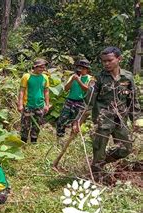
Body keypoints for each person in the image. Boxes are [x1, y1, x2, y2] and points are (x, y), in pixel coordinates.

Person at [90, 46, 142, 181]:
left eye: (110, 60)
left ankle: (101, 162)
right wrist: (78, 120)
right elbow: (89, 101)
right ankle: (97, 177)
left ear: (119, 59)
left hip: (120, 120)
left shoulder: (127, 77)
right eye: (104, 61)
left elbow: (133, 100)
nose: (106, 63)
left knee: (126, 148)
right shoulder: (99, 78)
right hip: (103, 121)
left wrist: (136, 119)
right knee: (99, 149)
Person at [56, 59, 94, 139]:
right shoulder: (73, 76)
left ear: (87, 69)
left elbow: (86, 89)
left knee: (76, 123)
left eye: (83, 68)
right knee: (61, 120)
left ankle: (71, 140)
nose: (81, 70)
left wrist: (78, 80)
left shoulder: (90, 78)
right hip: (70, 100)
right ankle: (60, 138)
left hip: (81, 102)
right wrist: (72, 80)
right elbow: (66, 89)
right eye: (79, 68)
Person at [17, 58, 50, 143]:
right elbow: (21, 91)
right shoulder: (26, 77)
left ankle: (33, 143)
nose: (42, 69)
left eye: (43, 67)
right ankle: (23, 143)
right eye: (40, 67)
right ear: (35, 67)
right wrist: (20, 104)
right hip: (28, 105)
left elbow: (46, 91)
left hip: (40, 106)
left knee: (36, 126)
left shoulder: (45, 77)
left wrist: (47, 105)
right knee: (25, 126)